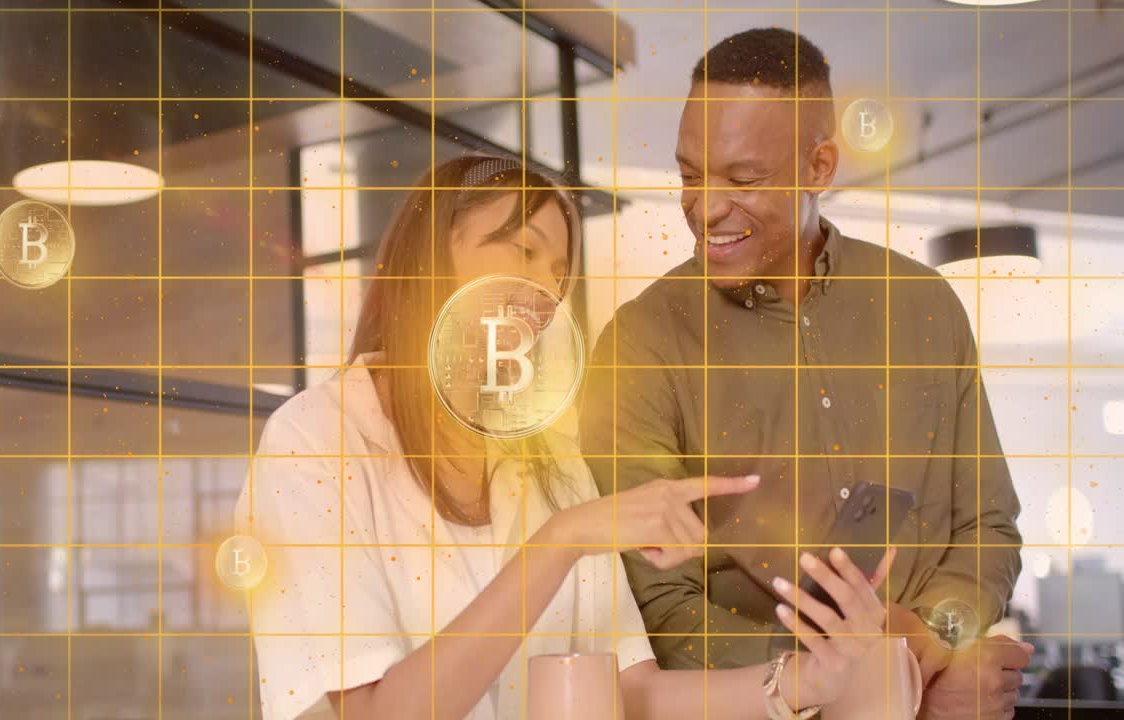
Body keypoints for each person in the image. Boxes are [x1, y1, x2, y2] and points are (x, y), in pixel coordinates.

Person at [237, 154, 894, 720]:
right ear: (429, 254)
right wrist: (559, 541)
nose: (547, 286)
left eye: (558, 268)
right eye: (521, 249)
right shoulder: (315, 439)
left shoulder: (546, 460)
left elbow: (627, 692)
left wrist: (798, 683)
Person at [579, 27, 1032, 720]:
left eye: (743, 177)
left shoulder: (924, 305)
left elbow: (988, 528)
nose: (705, 208)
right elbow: (657, 608)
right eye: (691, 175)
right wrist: (883, 682)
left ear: (820, 166)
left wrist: (931, 643)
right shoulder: (641, 343)